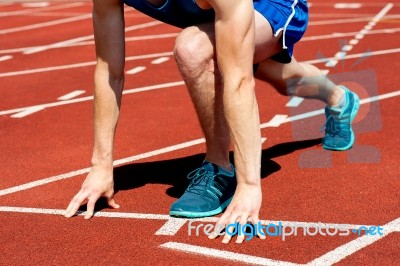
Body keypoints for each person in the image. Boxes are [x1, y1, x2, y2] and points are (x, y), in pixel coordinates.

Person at [65, 0, 359, 244]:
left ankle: (220, 168)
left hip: (273, 3)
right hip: (217, 12)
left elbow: (239, 82)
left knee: (196, 49)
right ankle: (338, 98)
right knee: (281, 77)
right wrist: (101, 167)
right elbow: (108, 70)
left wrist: (249, 186)